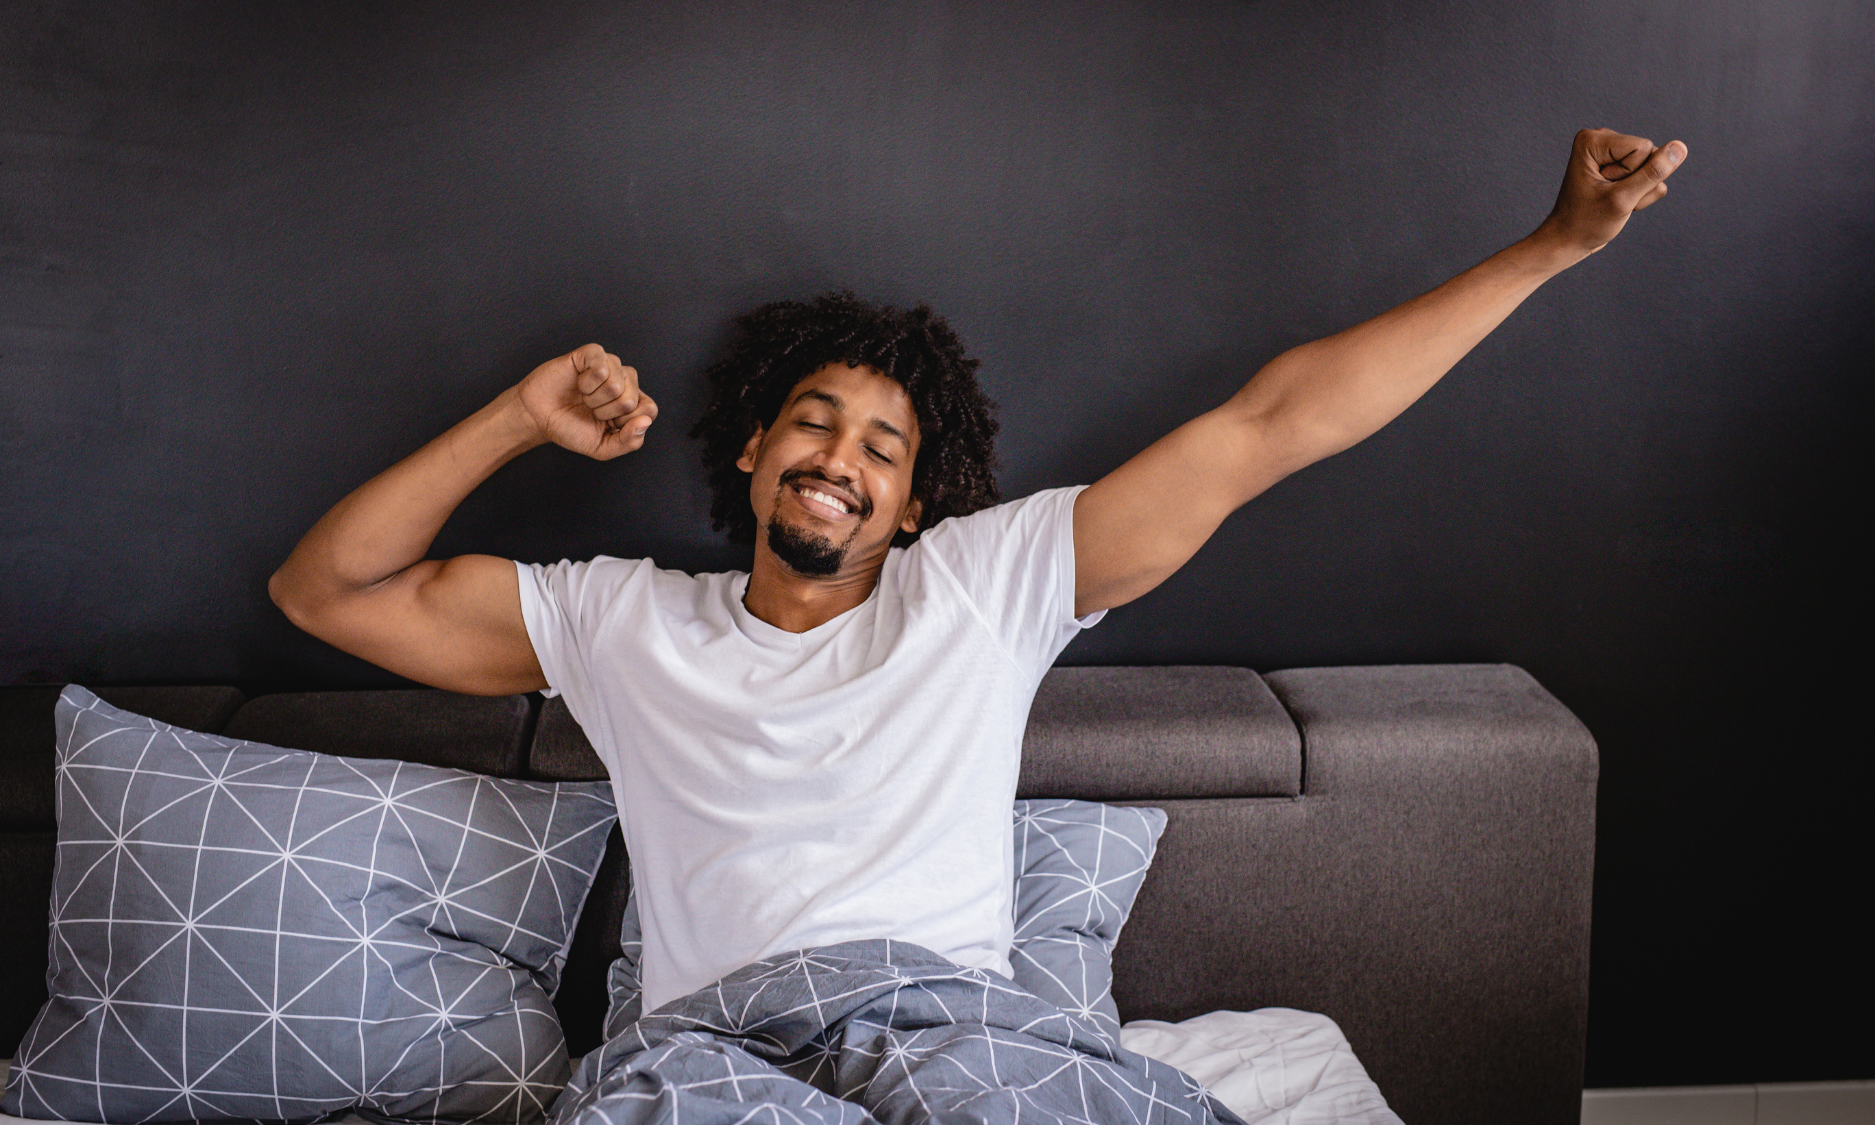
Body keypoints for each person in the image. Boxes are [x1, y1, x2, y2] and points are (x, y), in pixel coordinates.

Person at [271, 128, 1684, 1018]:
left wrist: (1550, 249)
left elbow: (1272, 426)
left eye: (883, 445)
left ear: (913, 497)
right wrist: (521, 418)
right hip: (714, 1056)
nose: (842, 455)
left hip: (949, 1038)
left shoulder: (986, 585)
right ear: (755, 448)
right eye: (815, 421)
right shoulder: (614, 617)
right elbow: (326, 593)